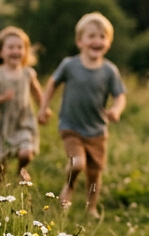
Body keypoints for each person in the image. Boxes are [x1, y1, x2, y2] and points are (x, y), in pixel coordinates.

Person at [36, 12, 127, 215]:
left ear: (109, 42)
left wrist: (116, 110)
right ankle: (69, 186)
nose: (97, 40)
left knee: (94, 174)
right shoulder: (70, 65)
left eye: (102, 37)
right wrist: (44, 108)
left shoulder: (109, 71)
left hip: (97, 131)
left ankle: (91, 207)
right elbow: (52, 84)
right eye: (92, 36)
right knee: (77, 163)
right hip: (71, 127)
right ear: (80, 41)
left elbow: (120, 95)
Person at [0, 26, 43, 184]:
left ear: (25, 51)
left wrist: (43, 109)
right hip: (1, 122)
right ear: (0, 52)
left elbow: (37, 93)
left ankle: (21, 170)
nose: (16, 51)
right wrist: (2, 97)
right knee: (1, 159)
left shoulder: (28, 73)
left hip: (23, 121)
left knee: (26, 152)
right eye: (11, 47)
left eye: (20, 47)